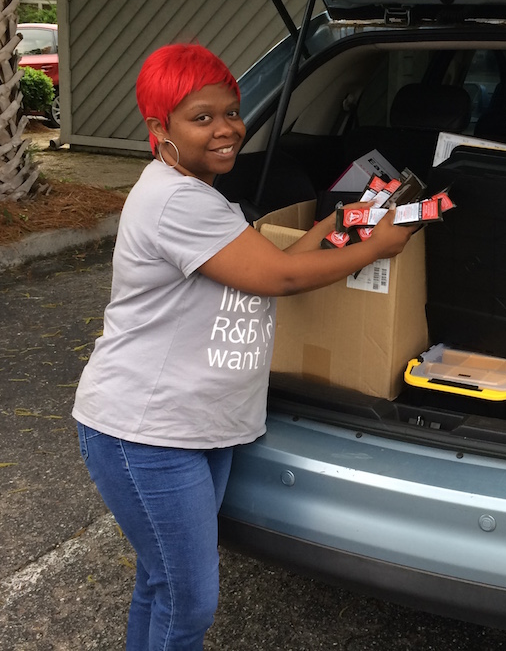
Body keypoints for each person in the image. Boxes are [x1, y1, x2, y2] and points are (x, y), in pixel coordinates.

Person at [72, 43, 414, 650]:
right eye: (202, 118)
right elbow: (278, 280)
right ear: (160, 128)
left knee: (161, 583)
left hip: (195, 423)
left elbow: (267, 265)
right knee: (189, 601)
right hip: (147, 431)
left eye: (231, 112)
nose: (227, 129)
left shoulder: (199, 193)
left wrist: (331, 229)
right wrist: (376, 247)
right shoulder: (176, 200)